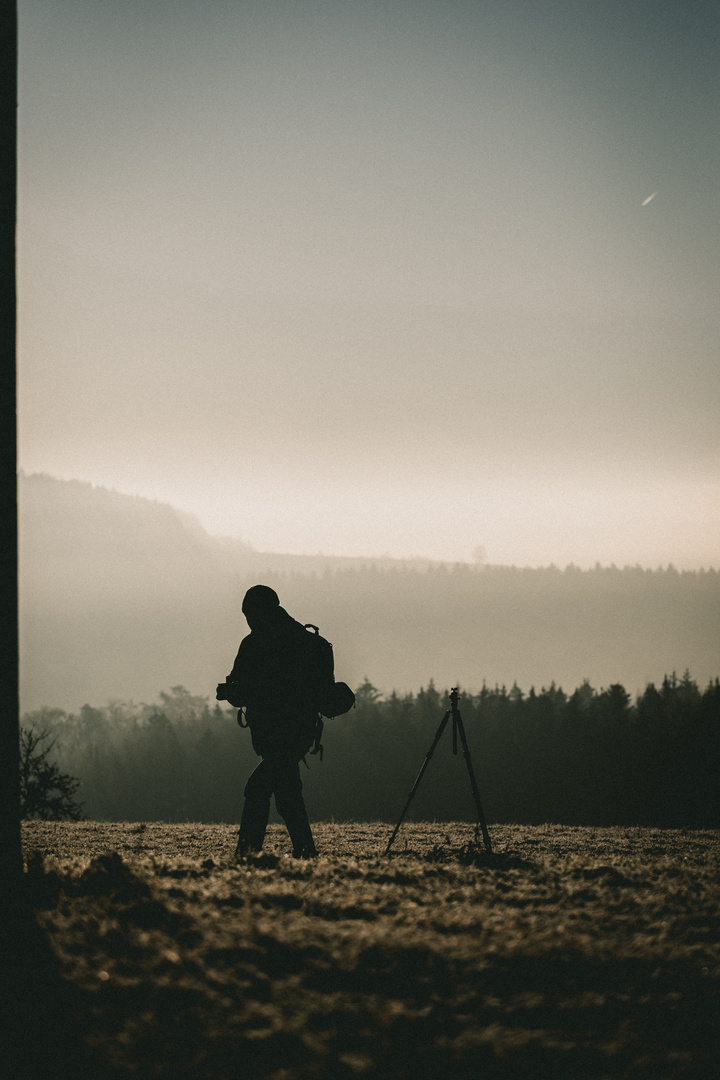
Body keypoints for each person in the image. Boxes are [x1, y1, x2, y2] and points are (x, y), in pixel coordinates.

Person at [218, 584, 323, 859]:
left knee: (257, 790)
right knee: (288, 794)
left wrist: (231, 693)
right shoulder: (301, 639)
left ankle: (247, 853)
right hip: (300, 732)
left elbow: (249, 690)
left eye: (249, 615)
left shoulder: (255, 644)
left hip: (276, 734)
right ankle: (305, 851)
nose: (249, 621)